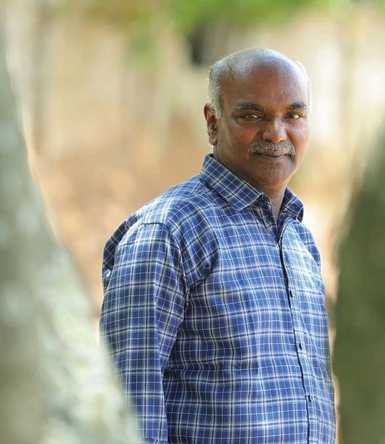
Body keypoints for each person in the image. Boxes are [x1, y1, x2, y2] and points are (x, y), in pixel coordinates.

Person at [99, 47, 336, 443]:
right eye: (252, 115)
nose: (277, 133)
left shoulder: (300, 241)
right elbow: (129, 409)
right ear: (213, 123)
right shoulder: (169, 232)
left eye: (294, 115)